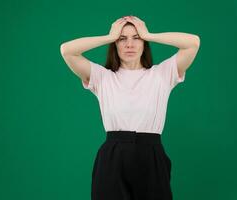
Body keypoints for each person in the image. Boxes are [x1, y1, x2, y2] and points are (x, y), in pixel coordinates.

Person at [60, 15, 200, 200]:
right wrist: (109, 37)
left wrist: (149, 34)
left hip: (151, 155)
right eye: (122, 39)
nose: (129, 44)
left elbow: (193, 43)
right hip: (113, 157)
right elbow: (67, 50)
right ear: (115, 45)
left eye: (136, 38)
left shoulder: (161, 74)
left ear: (144, 43)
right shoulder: (103, 77)